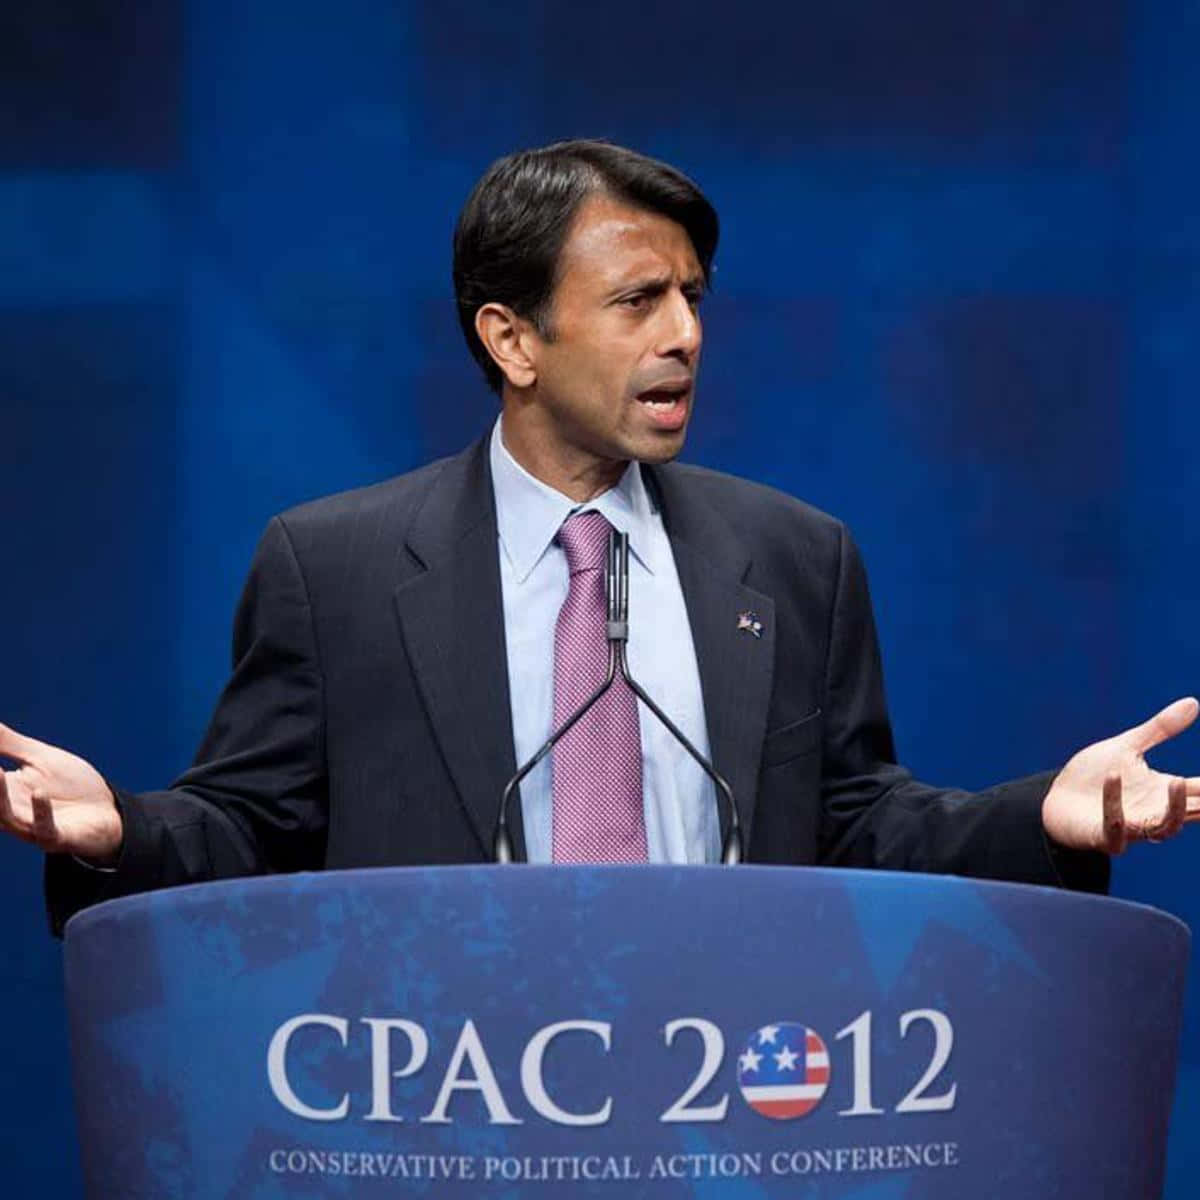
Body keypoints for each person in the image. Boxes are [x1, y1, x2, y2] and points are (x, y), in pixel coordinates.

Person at [1, 140, 1195, 935]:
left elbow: (858, 827)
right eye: (637, 303)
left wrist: (1044, 815)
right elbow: (253, 829)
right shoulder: (338, 568)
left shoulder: (792, 555)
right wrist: (123, 832)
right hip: (448, 1112)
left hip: (734, 1094)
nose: (684, 335)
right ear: (513, 341)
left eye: (692, 298)